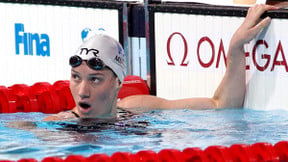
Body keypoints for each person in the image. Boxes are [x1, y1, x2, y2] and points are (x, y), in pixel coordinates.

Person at [43, 4, 278, 121]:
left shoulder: (136, 107)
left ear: (118, 82)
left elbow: (222, 105)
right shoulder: (57, 127)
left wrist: (236, 47)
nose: (82, 91)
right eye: (76, 77)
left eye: (95, 79)